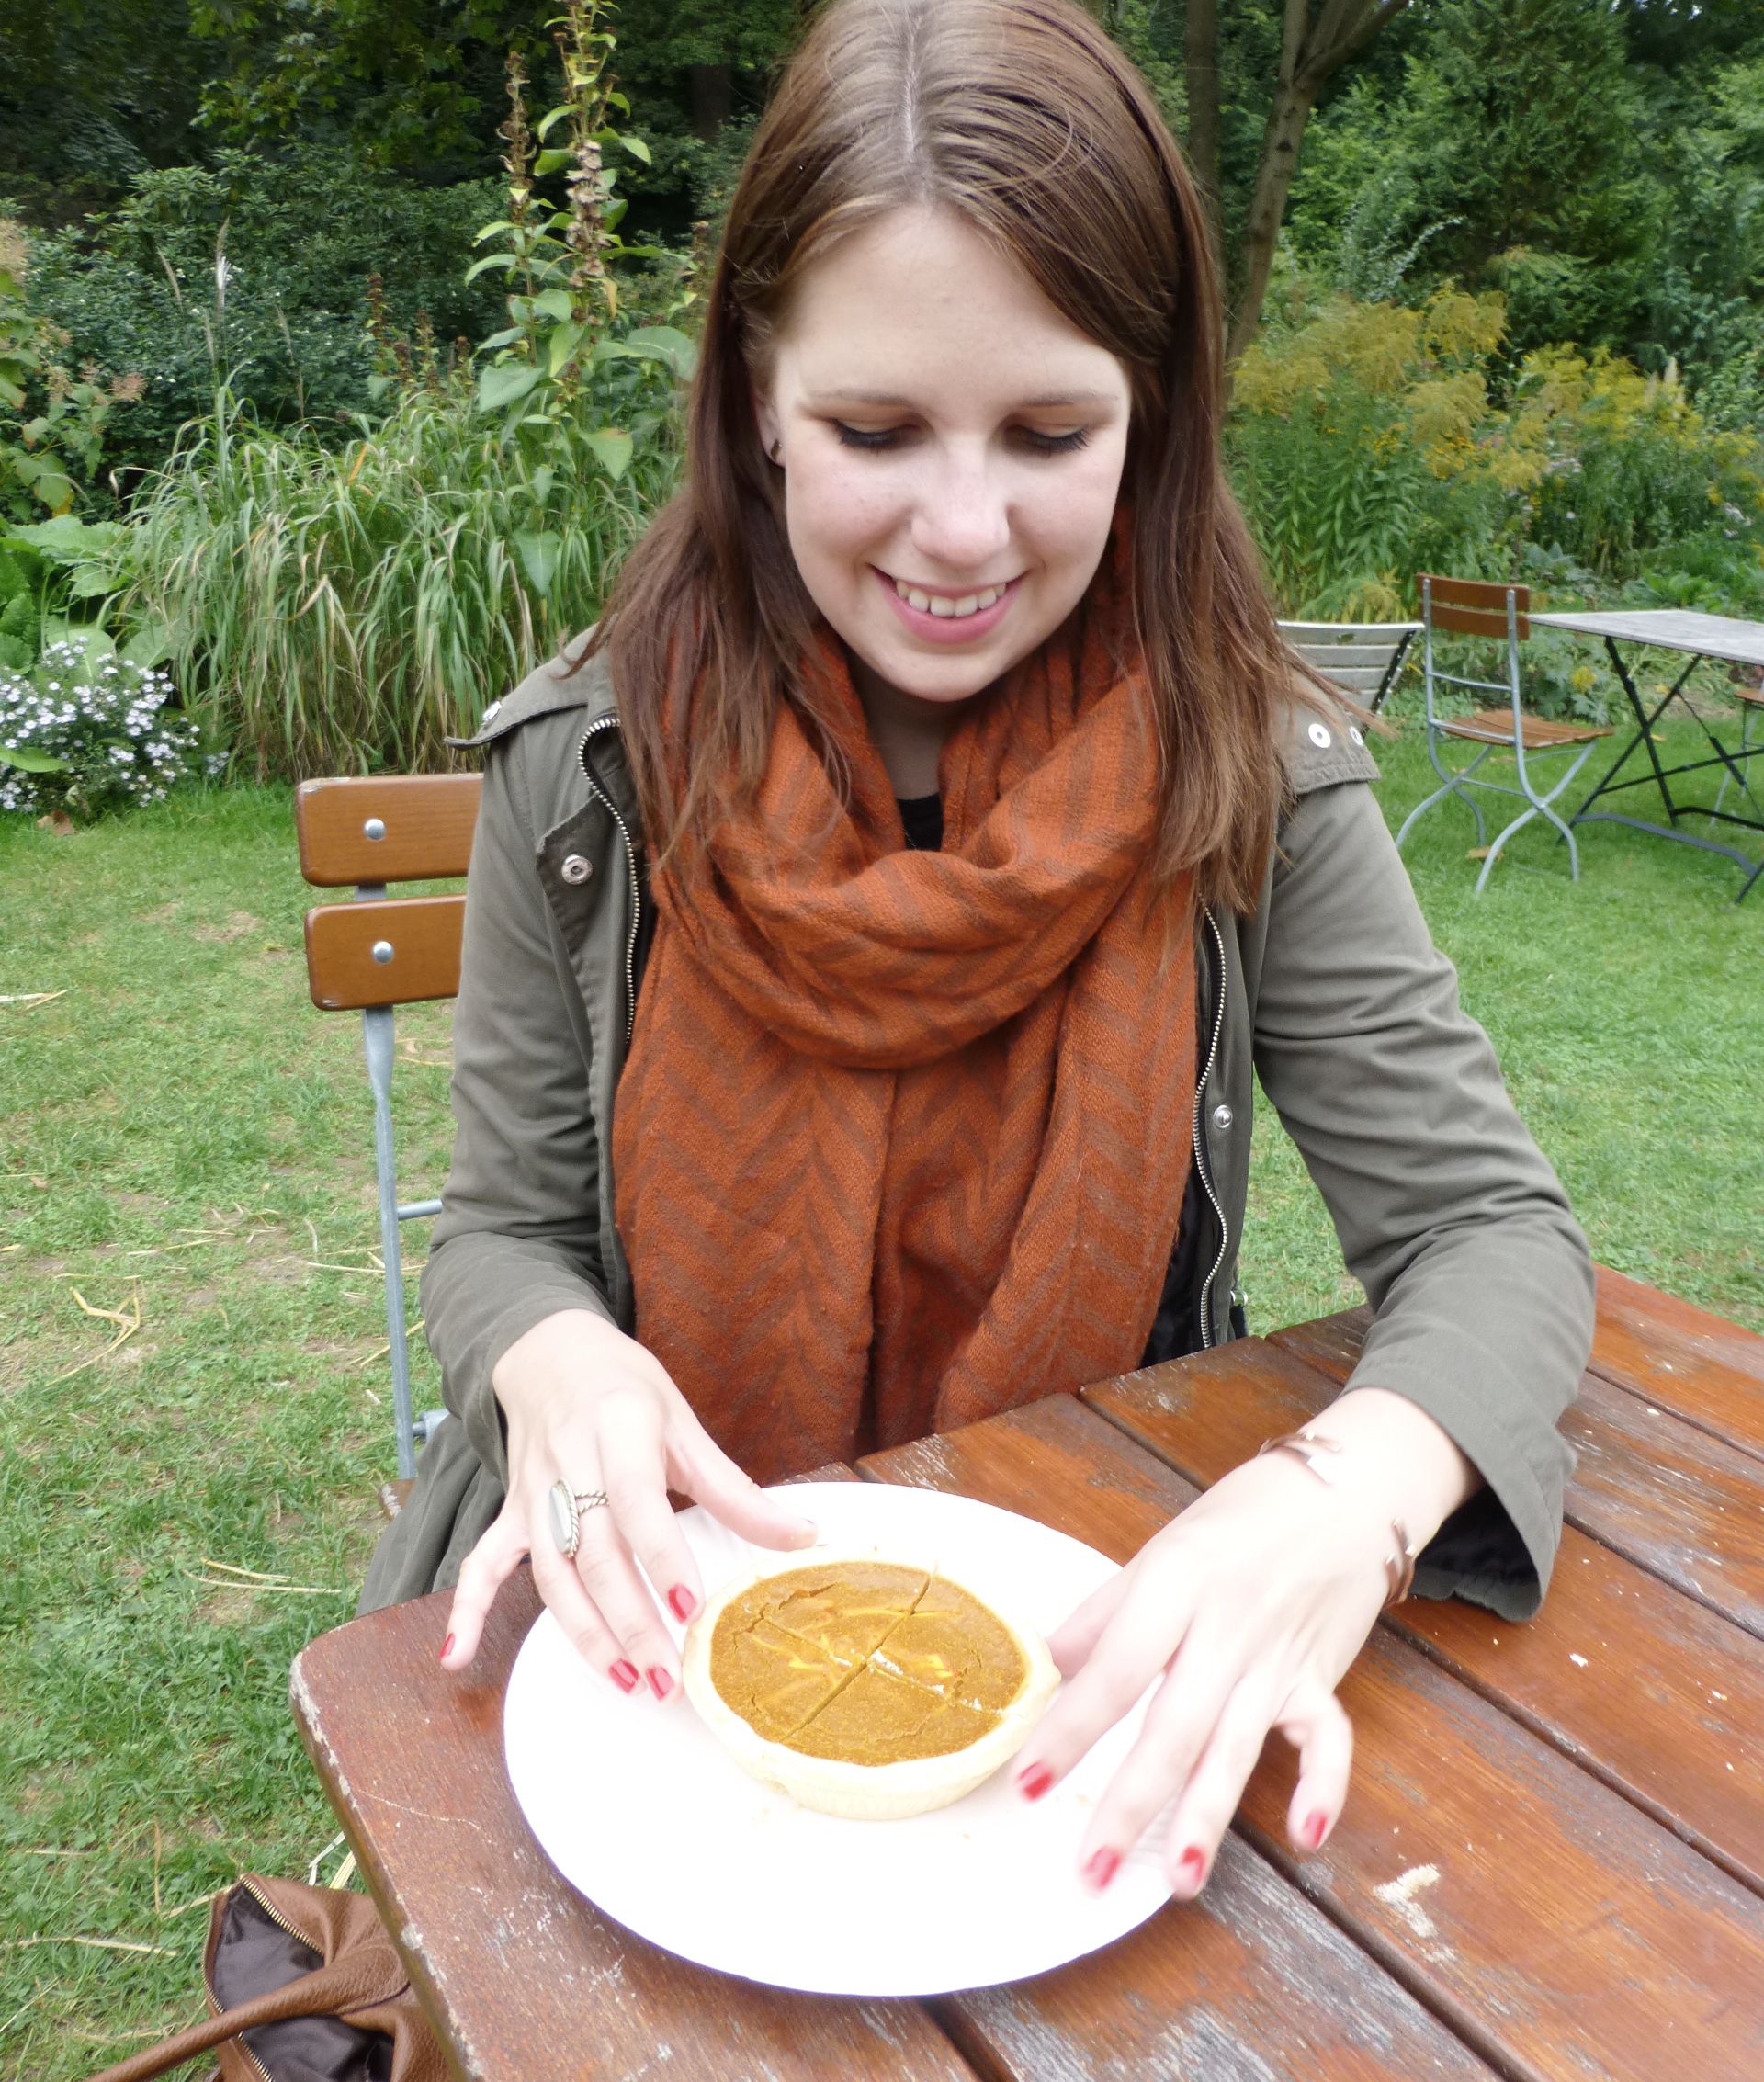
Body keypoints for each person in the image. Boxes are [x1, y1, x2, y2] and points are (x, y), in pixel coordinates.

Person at [361, 0, 1593, 1901]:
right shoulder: (589, 766)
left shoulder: (1246, 767)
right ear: (756, 395)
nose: (962, 528)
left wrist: (1342, 1497)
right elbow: (500, 1232)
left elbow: (1490, 1233)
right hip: (633, 1629)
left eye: (1049, 431)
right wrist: (556, 1352)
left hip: (1082, 1633)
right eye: (875, 429)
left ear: (1152, 413)